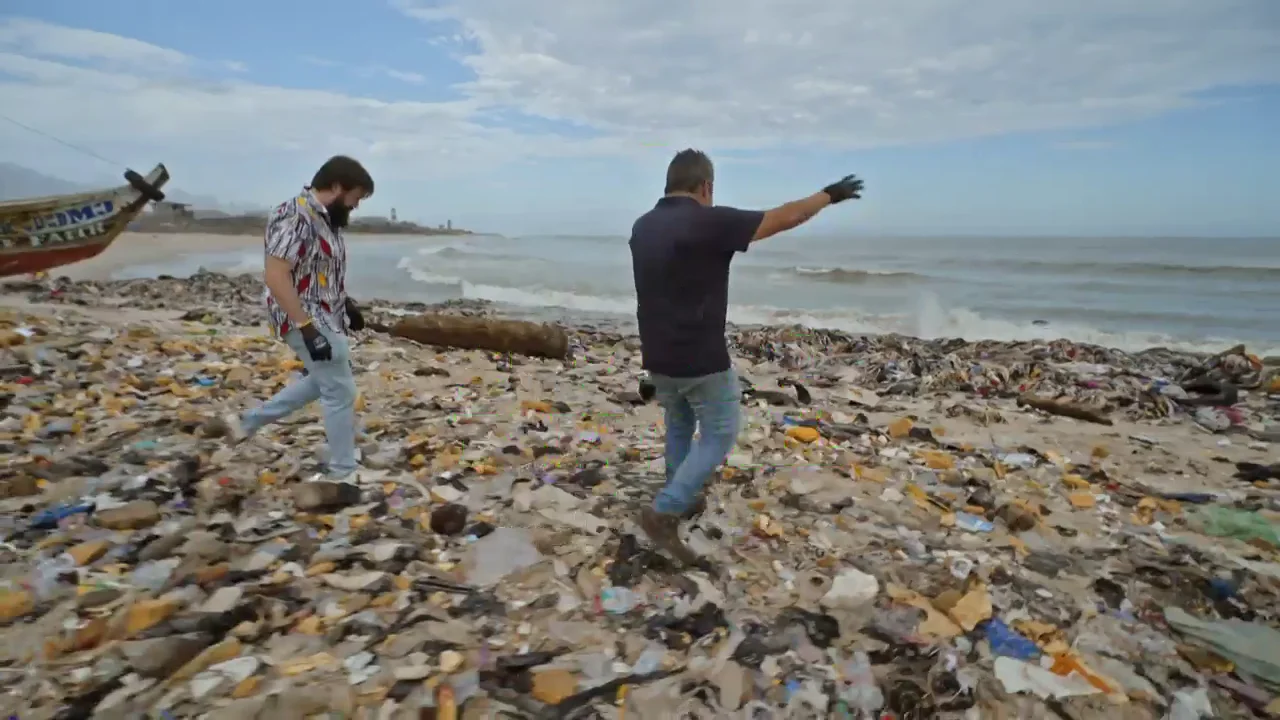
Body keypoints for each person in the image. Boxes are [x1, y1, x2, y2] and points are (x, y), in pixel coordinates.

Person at [630, 149, 864, 563]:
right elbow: (782, 217)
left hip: (657, 352)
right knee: (721, 430)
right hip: (699, 355)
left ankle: (676, 493)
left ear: (668, 184)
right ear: (706, 187)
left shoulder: (643, 226)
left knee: (680, 420)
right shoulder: (708, 220)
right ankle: (666, 510)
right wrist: (830, 195)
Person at [222, 155, 373, 481]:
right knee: (341, 390)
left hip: (324, 314)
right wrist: (306, 328)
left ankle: (246, 423)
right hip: (302, 315)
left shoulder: (324, 220)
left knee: (325, 380)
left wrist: (345, 304)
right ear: (336, 187)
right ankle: (342, 473)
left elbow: (317, 270)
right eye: (355, 197)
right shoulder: (295, 215)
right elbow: (276, 275)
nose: (356, 206)